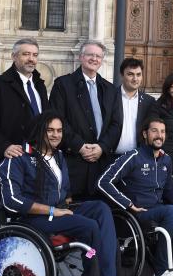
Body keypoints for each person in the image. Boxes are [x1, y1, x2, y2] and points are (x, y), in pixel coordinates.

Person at [0, 111, 118, 276]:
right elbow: (11, 200)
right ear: (40, 131)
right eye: (50, 130)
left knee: (101, 208)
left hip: (58, 211)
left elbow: (65, 192)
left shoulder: (59, 156)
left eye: (59, 130)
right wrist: (53, 211)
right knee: (90, 226)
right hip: (34, 218)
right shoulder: (20, 157)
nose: (56, 135)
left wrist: (64, 207)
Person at [99, 118, 173, 276]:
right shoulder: (133, 156)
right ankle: (160, 273)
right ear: (145, 134)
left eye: (162, 131)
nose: (159, 135)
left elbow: (170, 191)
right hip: (137, 212)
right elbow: (103, 182)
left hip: (159, 209)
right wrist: (128, 204)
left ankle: (172, 269)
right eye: (154, 131)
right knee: (171, 212)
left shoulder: (166, 160)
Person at [0, 38, 49, 235]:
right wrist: (5, 146)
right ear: (14, 56)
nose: (31, 59)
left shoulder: (39, 86)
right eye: (26, 54)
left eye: (35, 55)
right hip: (7, 162)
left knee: (29, 216)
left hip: (34, 163)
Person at [50, 41, 122, 200]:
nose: (94, 59)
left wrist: (102, 147)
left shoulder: (110, 89)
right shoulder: (63, 84)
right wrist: (80, 146)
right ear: (81, 57)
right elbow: (57, 120)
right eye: (90, 55)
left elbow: (116, 125)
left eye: (98, 56)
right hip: (73, 162)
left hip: (101, 164)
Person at [116, 58, 159, 157]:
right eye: (130, 74)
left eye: (138, 74)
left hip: (139, 158)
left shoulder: (149, 102)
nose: (135, 79)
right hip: (112, 157)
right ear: (122, 75)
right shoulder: (110, 96)